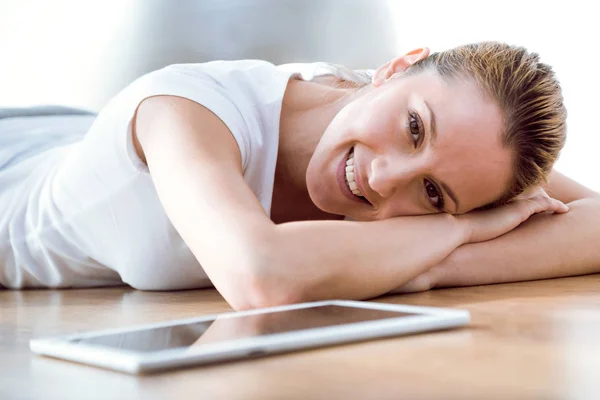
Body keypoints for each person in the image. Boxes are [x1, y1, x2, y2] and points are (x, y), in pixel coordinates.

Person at [1, 42, 598, 310]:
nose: (386, 179)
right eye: (415, 127)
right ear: (395, 68)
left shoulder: (461, 152)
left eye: (435, 194)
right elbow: (262, 279)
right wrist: (459, 234)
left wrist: (419, 260)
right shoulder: (186, 108)